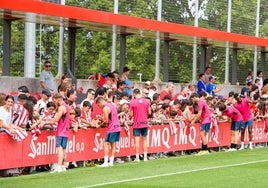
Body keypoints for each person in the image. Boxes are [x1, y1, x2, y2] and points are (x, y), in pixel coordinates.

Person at [96, 97, 121, 167]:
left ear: (100, 103)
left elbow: (106, 121)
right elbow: (111, 117)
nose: (99, 107)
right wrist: (102, 118)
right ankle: (111, 161)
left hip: (112, 128)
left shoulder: (105, 108)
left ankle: (106, 162)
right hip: (117, 127)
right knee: (113, 144)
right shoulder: (112, 105)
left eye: (98, 105)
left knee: (105, 143)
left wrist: (99, 125)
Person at [50, 93, 70, 173]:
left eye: (55, 101)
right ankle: (63, 166)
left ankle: (58, 166)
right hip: (65, 131)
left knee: (59, 148)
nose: (54, 103)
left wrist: (45, 122)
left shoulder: (62, 107)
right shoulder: (66, 106)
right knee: (64, 149)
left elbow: (56, 119)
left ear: (58, 100)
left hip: (61, 130)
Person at [129, 88, 151, 162]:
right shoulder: (147, 101)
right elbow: (150, 112)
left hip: (137, 123)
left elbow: (131, 114)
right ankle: (145, 157)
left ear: (134, 94)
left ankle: (137, 157)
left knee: (137, 141)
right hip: (145, 122)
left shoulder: (132, 102)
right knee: (144, 140)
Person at [190, 91, 211, 155]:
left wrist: (193, 121)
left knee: (202, 134)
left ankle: (205, 150)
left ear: (195, 97)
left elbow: (199, 113)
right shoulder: (202, 101)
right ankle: (203, 149)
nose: (192, 100)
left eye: (192, 99)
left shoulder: (200, 102)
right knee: (203, 135)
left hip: (206, 119)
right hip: (207, 119)